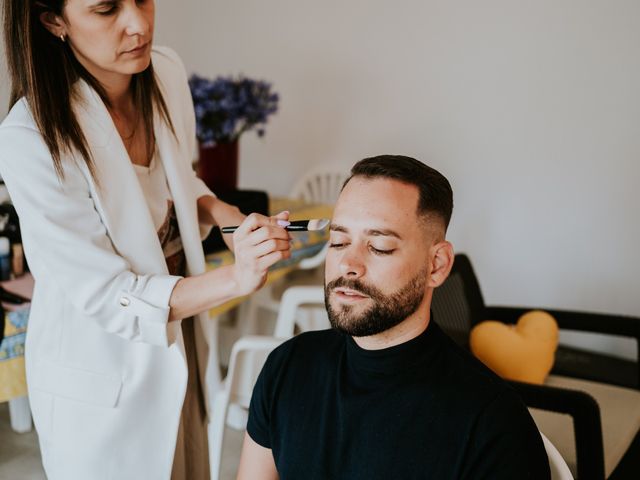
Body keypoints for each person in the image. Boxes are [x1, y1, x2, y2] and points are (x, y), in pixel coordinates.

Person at [0, 1, 291, 479]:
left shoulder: (166, 73)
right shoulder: (29, 138)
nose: (138, 24)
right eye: (107, 9)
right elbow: (108, 295)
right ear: (53, 20)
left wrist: (226, 216)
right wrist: (235, 280)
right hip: (103, 372)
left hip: (183, 340)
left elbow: (175, 181)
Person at [238, 155, 551, 479]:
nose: (349, 263)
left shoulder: (492, 424)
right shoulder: (287, 367)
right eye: (339, 241)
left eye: (380, 247)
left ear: (437, 265)